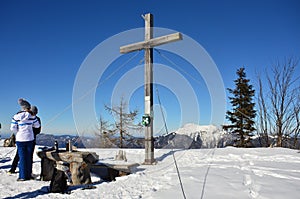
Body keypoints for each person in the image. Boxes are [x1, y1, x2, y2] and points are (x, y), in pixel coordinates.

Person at [10, 98, 40, 181]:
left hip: (20, 139)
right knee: (29, 157)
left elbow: (12, 128)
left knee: (22, 157)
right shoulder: (32, 116)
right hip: (30, 138)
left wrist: (19, 132)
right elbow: (37, 126)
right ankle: (29, 174)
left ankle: (22, 176)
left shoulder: (16, 116)